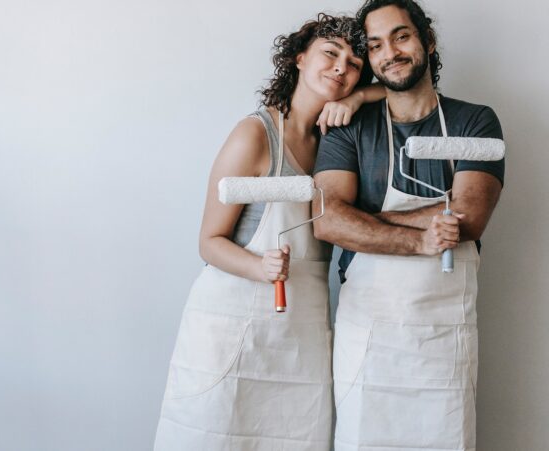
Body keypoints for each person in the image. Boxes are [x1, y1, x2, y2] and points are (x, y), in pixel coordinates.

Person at [154, 14, 383, 450]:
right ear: (299, 58)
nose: (341, 67)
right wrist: (260, 267)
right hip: (231, 326)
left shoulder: (337, 143)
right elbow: (208, 241)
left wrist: (359, 100)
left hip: (302, 334)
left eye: (354, 63)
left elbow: (402, 91)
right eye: (330, 53)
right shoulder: (255, 135)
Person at [312, 1, 505, 450]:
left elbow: (469, 218)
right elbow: (327, 220)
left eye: (401, 36)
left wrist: (365, 220)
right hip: (368, 333)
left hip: (444, 339)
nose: (389, 52)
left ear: (427, 41)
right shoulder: (348, 126)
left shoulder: (474, 120)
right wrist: (422, 236)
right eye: (375, 45)